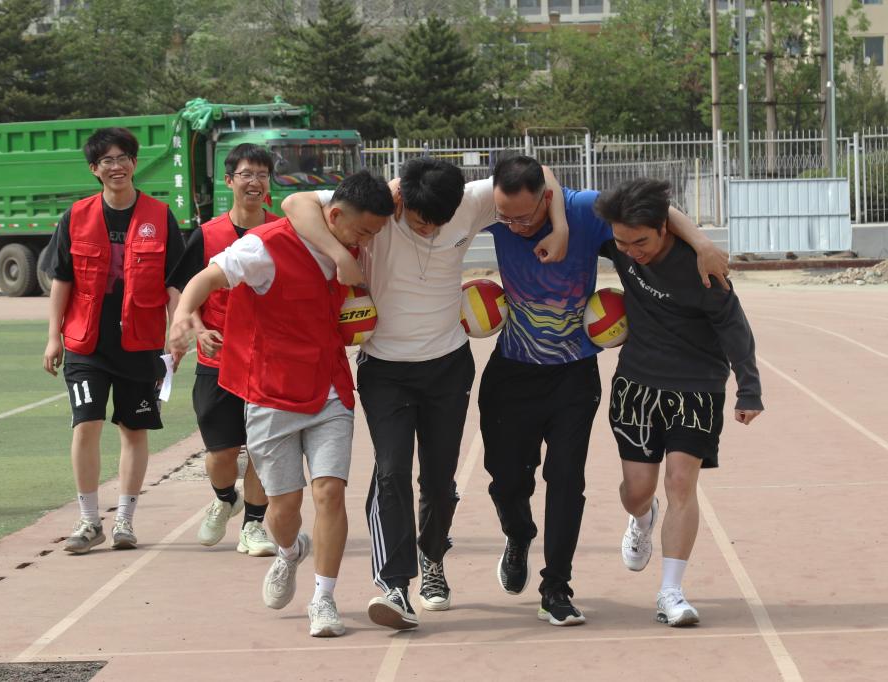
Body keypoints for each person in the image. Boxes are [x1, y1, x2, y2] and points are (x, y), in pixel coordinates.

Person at [280, 158, 569, 630]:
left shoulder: (472, 201)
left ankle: (432, 558)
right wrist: (340, 254)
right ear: (401, 203)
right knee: (391, 470)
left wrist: (559, 227)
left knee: (438, 479)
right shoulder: (383, 207)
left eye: (439, 222)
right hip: (385, 369)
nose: (430, 230)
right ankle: (394, 585)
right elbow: (295, 202)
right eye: (420, 222)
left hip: (448, 366)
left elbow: (540, 174)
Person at [480, 157, 731, 626]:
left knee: (566, 480)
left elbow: (656, 209)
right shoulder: (493, 209)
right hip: (511, 372)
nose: (515, 226)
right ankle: (518, 533)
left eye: (525, 218)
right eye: (506, 218)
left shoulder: (583, 210)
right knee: (507, 480)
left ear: (548, 199)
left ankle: (556, 588)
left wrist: (701, 243)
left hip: (573, 374)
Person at [168, 170, 394, 638]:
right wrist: (185, 315)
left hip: (329, 387)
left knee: (329, 492)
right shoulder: (263, 248)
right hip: (271, 394)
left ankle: (324, 599)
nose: (367, 242)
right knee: (283, 509)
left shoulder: (351, 241)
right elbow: (206, 278)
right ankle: (290, 552)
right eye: (363, 232)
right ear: (335, 216)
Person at [595, 177, 763, 627]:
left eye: (641, 242)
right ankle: (642, 518)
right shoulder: (619, 244)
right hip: (637, 385)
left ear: (664, 229)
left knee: (681, 483)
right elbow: (573, 203)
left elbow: (735, 327)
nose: (631, 251)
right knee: (637, 492)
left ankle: (671, 592)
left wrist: (749, 389)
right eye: (622, 243)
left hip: (697, 388)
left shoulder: (701, 267)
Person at [41, 127, 185, 554]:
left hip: (140, 343)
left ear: (134, 164)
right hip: (85, 342)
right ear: (94, 169)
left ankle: (124, 520)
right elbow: (62, 279)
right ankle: (89, 521)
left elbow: (175, 283)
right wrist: (53, 337)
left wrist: (176, 333)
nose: (116, 166)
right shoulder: (76, 216)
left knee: (133, 428)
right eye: (107, 160)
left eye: (123, 158)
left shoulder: (160, 216)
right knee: (86, 423)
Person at [166, 144, 279, 556]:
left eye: (262, 174)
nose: (255, 182)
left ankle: (253, 525)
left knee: (263, 449)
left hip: (268, 360)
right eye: (247, 174)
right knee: (221, 452)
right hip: (218, 358)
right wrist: (196, 329)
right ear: (229, 181)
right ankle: (224, 497)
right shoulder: (207, 234)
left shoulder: (283, 231)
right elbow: (183, 289)